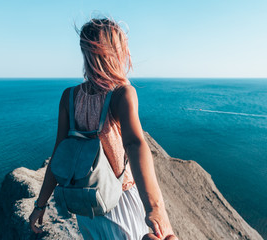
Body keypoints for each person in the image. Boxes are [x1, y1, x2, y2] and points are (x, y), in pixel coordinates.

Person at [29, 18, 177, 240]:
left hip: (85, 204)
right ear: (116, 52)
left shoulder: (69, 97)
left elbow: (58, 155)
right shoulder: (122, 94)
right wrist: (154, 207)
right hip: (119, 201)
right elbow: (135, 145)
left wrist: (40, 205)